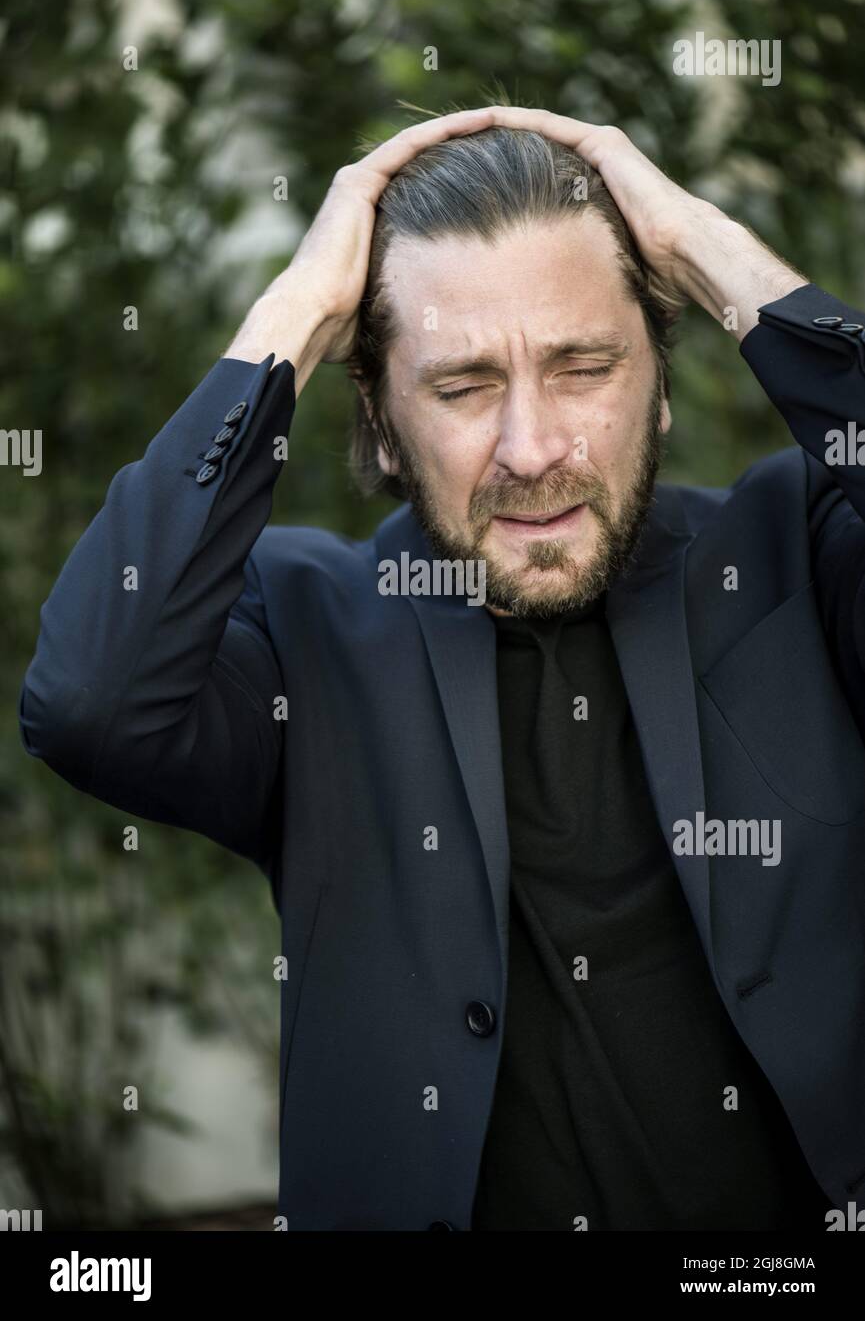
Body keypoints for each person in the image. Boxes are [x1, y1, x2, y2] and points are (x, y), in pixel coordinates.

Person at [19, 105, 865, 1231]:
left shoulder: (793, 555)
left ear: (659, 379)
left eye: (582, 366)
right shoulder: (303, 627)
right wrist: (294, 316)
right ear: (376, 420)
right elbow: (89, 701)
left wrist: (711, 251)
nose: (530, 447)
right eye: (463, 388)